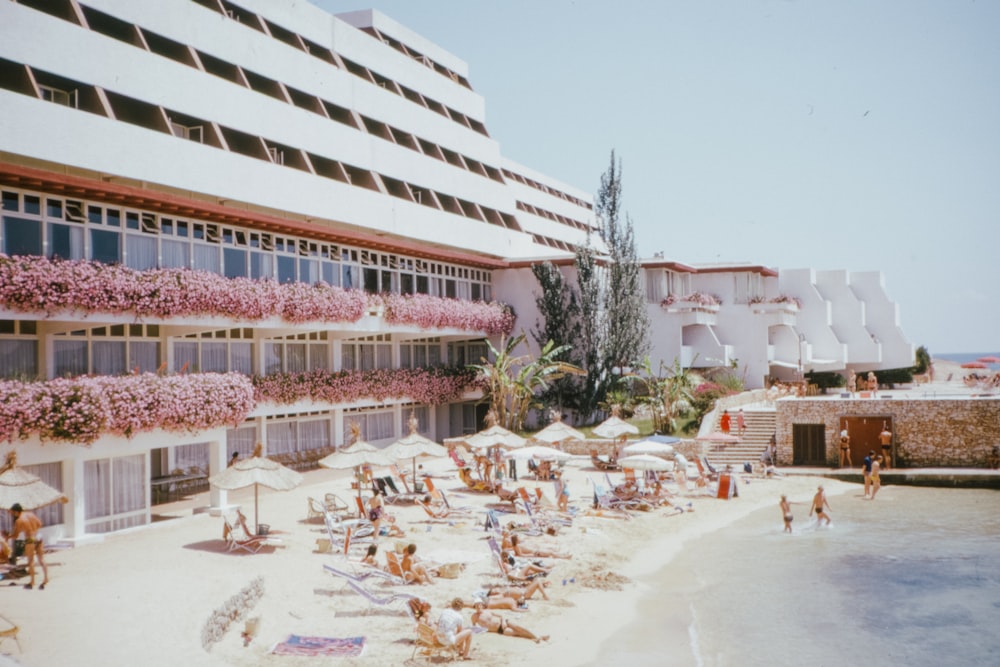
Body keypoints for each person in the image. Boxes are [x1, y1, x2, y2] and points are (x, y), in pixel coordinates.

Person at [9, 503, 48, 589]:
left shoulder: (19, 520)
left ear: (16, 512)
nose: (12, 514)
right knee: (41, 559)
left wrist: (8, 536)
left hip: (30, 539)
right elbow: (40, 524)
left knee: (31, 561)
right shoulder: (31, 514)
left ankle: (32, 581)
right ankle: (46, 578)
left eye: (12, 513)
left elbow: (15, 535)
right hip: (38, 536)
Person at [471, 600, 549, 643]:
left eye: (480, 605)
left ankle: (537, 637)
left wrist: (503, 621)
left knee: (519, 628)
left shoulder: (488, 611)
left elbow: (501, 615)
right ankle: (537, 638)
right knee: (517, 633)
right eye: (477, 606)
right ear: (475, 607)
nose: (478, 607)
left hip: (504, 622)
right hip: (499, 630)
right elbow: (474, 627)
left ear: (482, 605)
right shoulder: (474, 617)